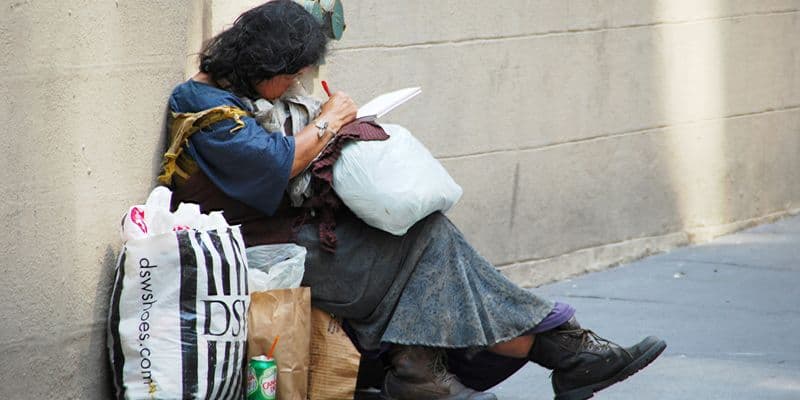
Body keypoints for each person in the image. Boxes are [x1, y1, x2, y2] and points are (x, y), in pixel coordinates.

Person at [160, 1, 666, 399]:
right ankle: (562, 349)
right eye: (289, 74)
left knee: (426, 235)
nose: (293, 85)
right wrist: (331, 119)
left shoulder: (244, 94)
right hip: (262, 253)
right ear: (261, 64)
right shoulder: (200, 102)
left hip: (293, 234)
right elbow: (272, 164)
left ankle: (431, 373)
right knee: (427, 244)